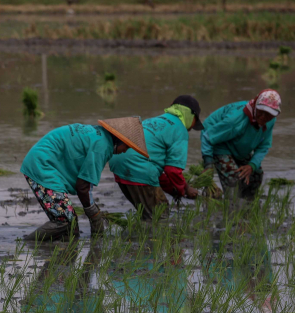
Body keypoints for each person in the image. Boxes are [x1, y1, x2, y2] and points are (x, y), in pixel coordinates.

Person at [20, 118, 149, 242]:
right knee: (65, 219)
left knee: (71, 229)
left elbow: (86, 181)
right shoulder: (102, 147)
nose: (125, 151)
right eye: (127, 147)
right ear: (120, 140)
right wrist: (94, 215)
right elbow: (82, 187)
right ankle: (26, 244)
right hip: (41, 165)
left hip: (43, 162)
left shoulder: (100, 135)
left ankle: (61, 257)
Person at [109, 95, 203, 220]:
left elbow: (156, 171)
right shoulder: (179, 130)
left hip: (118, 164)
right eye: (194, 123)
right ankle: (146, 239)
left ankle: (135, 238)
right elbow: (172, 170)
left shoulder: (155, 120)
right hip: (139, 168)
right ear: (191, 116)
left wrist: (174, 190)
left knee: (146, 215)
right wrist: (183, 190)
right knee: (159, 217)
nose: (191, 128)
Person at [201, 89, 281, 200]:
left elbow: (263, 146)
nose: (263, 117)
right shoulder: (235, 120)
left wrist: (251, 165)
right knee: (233, 177)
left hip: (238, 143)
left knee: (256, 174)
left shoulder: (270, 121)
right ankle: (232, 207)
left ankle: (247, 205)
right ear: (255, 106)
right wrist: (208, 164)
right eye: (261, 111)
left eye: (269, 114)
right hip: (219, 141)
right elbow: (208, 136)